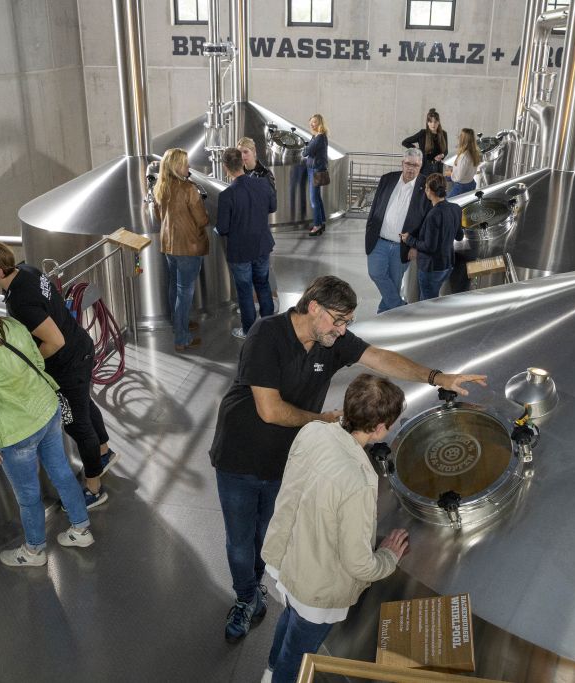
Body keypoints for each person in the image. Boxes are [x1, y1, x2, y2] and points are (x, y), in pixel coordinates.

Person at [209, 275, 486, 645]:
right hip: (240, 456)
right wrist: (323, 419)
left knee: (270, 528)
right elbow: (270, 410)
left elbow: (380, 358)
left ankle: (268, 582)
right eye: (337, 320)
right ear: (312, 308)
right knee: (241, 540)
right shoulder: (267, 335)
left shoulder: (330, 341)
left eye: (347, 323)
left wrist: (437, 377)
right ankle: (246, 598)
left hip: (287, 457)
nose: (342, 331)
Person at [259, 374, 409, 683]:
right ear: (380, 427)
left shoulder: (313, 431)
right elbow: (358, 563)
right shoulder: (358, 480)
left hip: (287, 558)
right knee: (299, 653)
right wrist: (388, 558)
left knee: (288, 619)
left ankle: (270, 670)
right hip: (317, 587)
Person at [0, 280, 94, 567]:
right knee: (61, 473)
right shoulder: (11, 326)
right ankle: (80, 529)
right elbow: (36, 359)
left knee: (28, 496)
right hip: (46, 412)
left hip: (15, 433)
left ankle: (34, 551)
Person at [0, 242, 118, 509]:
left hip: (67, 363)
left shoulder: (20, 300)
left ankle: (94, 488)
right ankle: (103, 452)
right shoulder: (28, 270)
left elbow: (55, 341)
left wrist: (33, 365)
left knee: (75, 423)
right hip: (80, 349)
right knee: (84, 404)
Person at [216, 147, 277, 339]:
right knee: (263, 285)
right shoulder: (262, 184)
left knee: (245, 291)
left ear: (225, 168)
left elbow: (223, 228)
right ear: (243, 163)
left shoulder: (227, 195)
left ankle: (249, 331)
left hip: (241, 251)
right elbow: (272, 207)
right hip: (261, 246)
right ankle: (268, 327)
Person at [153, 147, 210, 352]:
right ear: (177, 167)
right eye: (185, 164)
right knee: (185, 292)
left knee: (174, 287)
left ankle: (179, 323)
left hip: (169, 245)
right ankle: (182, 338)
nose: (189, 167)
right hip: (188, 246)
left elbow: (160, 217)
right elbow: (202, 219)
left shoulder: (161, 187)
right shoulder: (188, 189)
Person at [364, 148, 431, 313]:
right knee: (375, 273)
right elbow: (375, 207)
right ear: (402, 163)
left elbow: (427, 221)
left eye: (415, 165)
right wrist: (369, 228)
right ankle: (400, 308)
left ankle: (384, 314)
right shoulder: (387, 179)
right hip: (379, 240)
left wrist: (416, 246)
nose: (411, 168)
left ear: (420, 166)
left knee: (394, 283)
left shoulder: (426, 187)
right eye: (408, 164)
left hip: (403, 247)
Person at [401, 173, 464, 301]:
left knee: (427, 303)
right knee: (434, 300)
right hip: (448, 265)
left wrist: (409, 239)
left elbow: (429, 246)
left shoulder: (433, 215)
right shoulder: (456, 208)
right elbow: (459, 236)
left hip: (432, 268)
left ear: (430, 191)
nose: (425, 190)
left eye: (426, 187)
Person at [302, 114, 329, 237]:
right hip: (314, 169)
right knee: (317, 197)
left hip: (315, 170)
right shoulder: (318, 137)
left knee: (314, 199)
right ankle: (322, 222)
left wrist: (306, 148)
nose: (312, 124)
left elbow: (306, 152)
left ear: (319, 123)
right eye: (311, 122)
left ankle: (317, 225)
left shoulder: (319, 138)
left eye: (314, 122)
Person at [401, 108, 448, 177]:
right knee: (423, 186)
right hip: (425, 167)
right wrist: (417, 150)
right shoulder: (423, 133)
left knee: (437, 186)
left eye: (435, 122)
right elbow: (405, 142)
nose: (433, 124)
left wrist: (442, 155)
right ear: (427, 123)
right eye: (430, 122)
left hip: (438, 166)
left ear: (438, 122)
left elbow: (446, 151)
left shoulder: (443, 134)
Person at [447, 128, 481, 197]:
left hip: (461, 187)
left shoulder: (464, 157)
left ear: (463, 140)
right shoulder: (474, 153)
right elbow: (469, 170)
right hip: (471, 183)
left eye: (460, 136)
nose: (458, 137)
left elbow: (459, 177)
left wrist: (450, 174)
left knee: (447, 204)